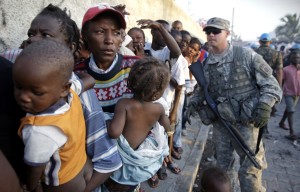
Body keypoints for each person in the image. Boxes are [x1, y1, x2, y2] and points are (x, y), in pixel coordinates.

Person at [186, 17, 282, 192]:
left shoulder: (246, 55)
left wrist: (265, 105)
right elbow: (203, 90)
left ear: (227, 33)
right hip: (222, 124)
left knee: (250, 169)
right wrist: (192, 104)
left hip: (246, 123)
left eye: (216, 31)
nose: (211, 35)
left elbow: (272, 86)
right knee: (222, 168)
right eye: (208, 32)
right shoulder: (206, 64)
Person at [13, 39, 93, 191]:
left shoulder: (41, 130)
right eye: (18, 86)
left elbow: (34, 167)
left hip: (61, 183)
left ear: (63, 88)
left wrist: (31, 186)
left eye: (36, 92)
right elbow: (88, 82)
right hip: (79, 163)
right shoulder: (70, 93)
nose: (24, 97)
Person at [105, 57, 171, 190]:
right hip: (138, 162)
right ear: (156, 94)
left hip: (121, 159)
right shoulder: (158, 109)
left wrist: (106, 122)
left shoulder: (124, 104)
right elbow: (167, 127)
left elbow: (114, 132)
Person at [139, 19, 183, 177]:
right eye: (159, 30)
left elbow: (177, 52)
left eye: (167, 31)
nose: (165, 35)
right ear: (152, 32)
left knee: (160, 139)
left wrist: (174, 112)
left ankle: (159, 166)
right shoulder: (144, 48)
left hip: (162, 105)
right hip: (142, 104)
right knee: (144, 139)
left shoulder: (169, 52)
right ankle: (150, 172)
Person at [256, 33, 283, 118]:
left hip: (255, 80)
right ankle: (265, 126)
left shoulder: (253, 52)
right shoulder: (277, 53)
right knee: (268, 101)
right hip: (270, 80)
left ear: (260, 42)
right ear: (270, 42)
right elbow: (279, 71)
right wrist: (279, 86)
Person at [278, 51, 300, 141]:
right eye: (294, 57)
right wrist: (280, 94)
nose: (296, 59)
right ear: (290, 59)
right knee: (291, 111)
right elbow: (282, 81)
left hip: (297, 94)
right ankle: (292, 132)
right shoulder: (286, 69)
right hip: (288, 93)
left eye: (298, 57)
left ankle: (281, 122)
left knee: (288, 109)